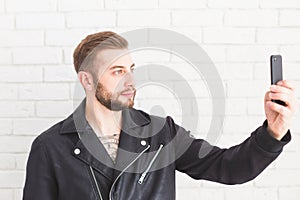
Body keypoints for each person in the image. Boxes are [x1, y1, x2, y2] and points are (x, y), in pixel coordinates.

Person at [23, 31, 298, 200]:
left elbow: (228, 167)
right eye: (117, 71)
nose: (130, 80)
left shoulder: (161, 134)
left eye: (131, 68)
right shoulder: (49, 148)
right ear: (86, 80)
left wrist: (272, 133)